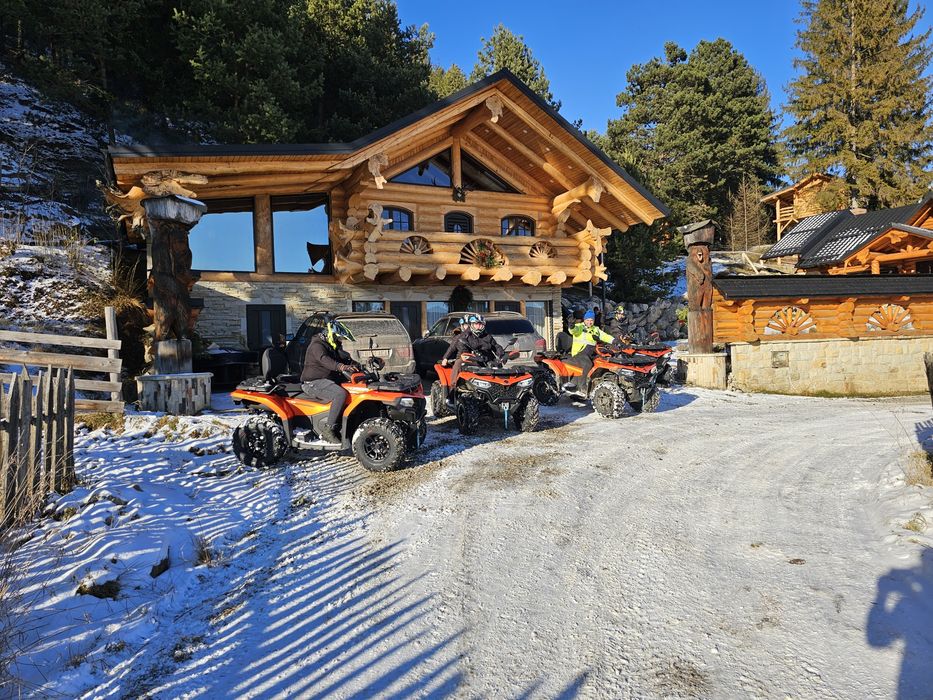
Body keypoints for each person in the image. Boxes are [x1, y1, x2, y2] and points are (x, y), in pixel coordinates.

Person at [300, 317, 360, 444]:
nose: (339, 341)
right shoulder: (317, 346)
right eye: (338, 338)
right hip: (313, 382)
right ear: (330, 335)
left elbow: (343, 357)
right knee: (340, 394)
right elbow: (325, 360)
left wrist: (357, 364)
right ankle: (328, 430)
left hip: (326, 379)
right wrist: (341, 367)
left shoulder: (330, 345)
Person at [440, 313, 504, 403]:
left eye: (481, 324)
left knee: (497, 367)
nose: (479, 326)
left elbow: (496, 346)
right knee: (458, 364)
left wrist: (502, 355)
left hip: (485, 359)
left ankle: (500, 392)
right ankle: (452, 392)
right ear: (472, 325)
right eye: (477, 324)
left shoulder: (487, 336)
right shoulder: (463, 336)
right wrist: (445, 358)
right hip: (468, 359)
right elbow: (454, 348)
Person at [565, 309, 614, 394]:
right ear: (584, 320)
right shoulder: (580, 327)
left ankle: (598, 385)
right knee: (587, 364)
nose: (589, 322)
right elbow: (573, 330)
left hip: (591, 352)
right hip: (579, 353)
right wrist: (571, 325)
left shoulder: (596, 329)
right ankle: (582, 387)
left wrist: (615, 341)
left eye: (591, 320)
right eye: (588, 320)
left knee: (603, 361)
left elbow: (605, 336)